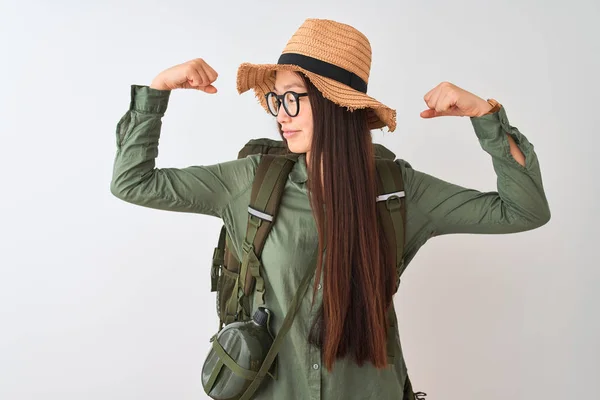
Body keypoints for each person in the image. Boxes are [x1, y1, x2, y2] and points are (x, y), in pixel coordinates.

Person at [110, 18, 550, 400]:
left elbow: (522, 210)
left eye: (292, 98)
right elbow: (133, 183)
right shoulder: (249, 183)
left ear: (334, 104)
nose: (280, 115)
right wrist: (157, 91)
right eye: (276, 101)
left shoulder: (399, 192)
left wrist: (483, 115)